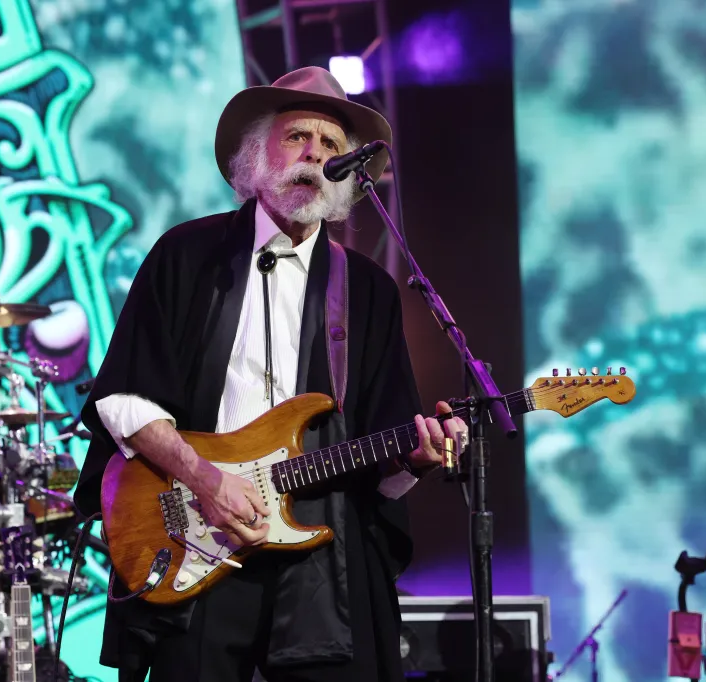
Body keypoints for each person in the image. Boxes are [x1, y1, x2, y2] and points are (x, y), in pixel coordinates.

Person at [73, 66, 468, 682]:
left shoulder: (367, 290)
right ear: (256, 154)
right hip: (199, 539)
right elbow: (124, 397)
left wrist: (418, 454)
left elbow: (386, 442)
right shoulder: (187, 254)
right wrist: (205, 479)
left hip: (321, 555)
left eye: (332, 145)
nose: (316, 155)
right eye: (297, 137)